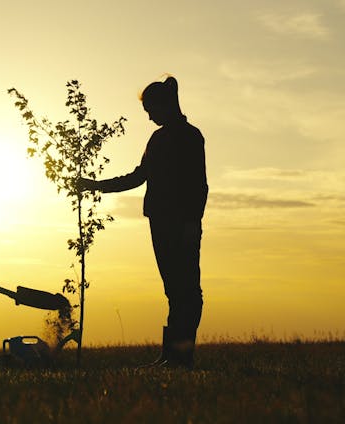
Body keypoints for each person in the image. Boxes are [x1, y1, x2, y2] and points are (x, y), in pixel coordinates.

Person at [78, 76, 208, 368]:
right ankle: (171, 355)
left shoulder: (190, 136)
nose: (149, 116)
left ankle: (181, 355)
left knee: (187, 291)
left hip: (182, 225)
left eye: (151, 109)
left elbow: (199, 186)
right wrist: (95, 185)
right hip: (160, 222)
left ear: (165, 105)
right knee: (174, 289)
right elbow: (138, 177)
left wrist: (191, 223)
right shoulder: (158, 139)